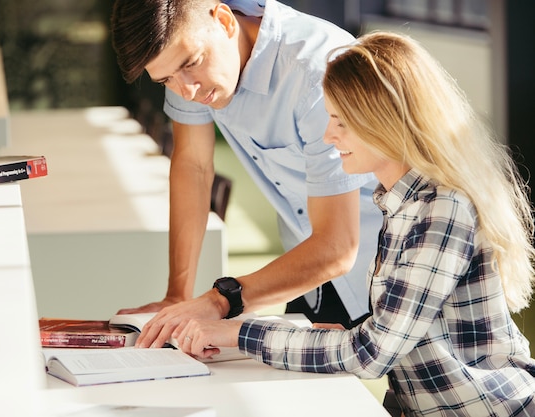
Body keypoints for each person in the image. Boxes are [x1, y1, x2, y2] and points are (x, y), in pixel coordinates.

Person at [174, 31, 535, 416]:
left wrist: (239, 333)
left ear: (387, 122)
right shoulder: (398, 203)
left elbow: (371, 354)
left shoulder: (442, 210)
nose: (329, 136)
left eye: (341, 122)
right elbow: (391, 334)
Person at [110, 0, 383, 343]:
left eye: (192, 64)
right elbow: (192, 166)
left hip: (394, 267)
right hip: (310, 267)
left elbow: (339, 247)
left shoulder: (317, 71)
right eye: (166, 80)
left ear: (224, 21)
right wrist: (177, 294)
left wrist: (220, 300)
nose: (187, 90)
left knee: (408, 393)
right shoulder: (188, 64)